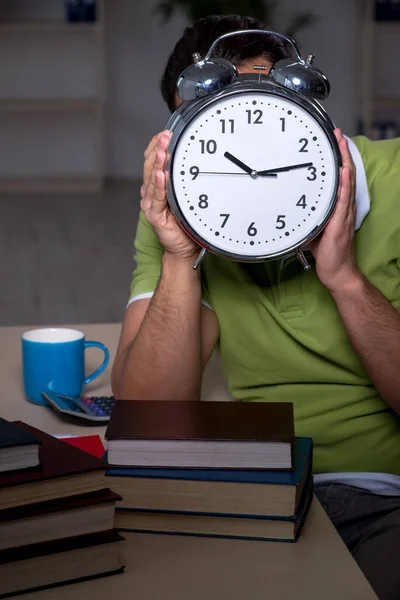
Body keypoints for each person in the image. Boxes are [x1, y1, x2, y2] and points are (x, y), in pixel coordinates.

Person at [111, 15, 400, 600]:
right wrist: (176, 257)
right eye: (207, 129)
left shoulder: (394, 179)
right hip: (253, 488)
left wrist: (343, 277)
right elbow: (151, 417)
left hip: (382, 495)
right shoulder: (179, 211)